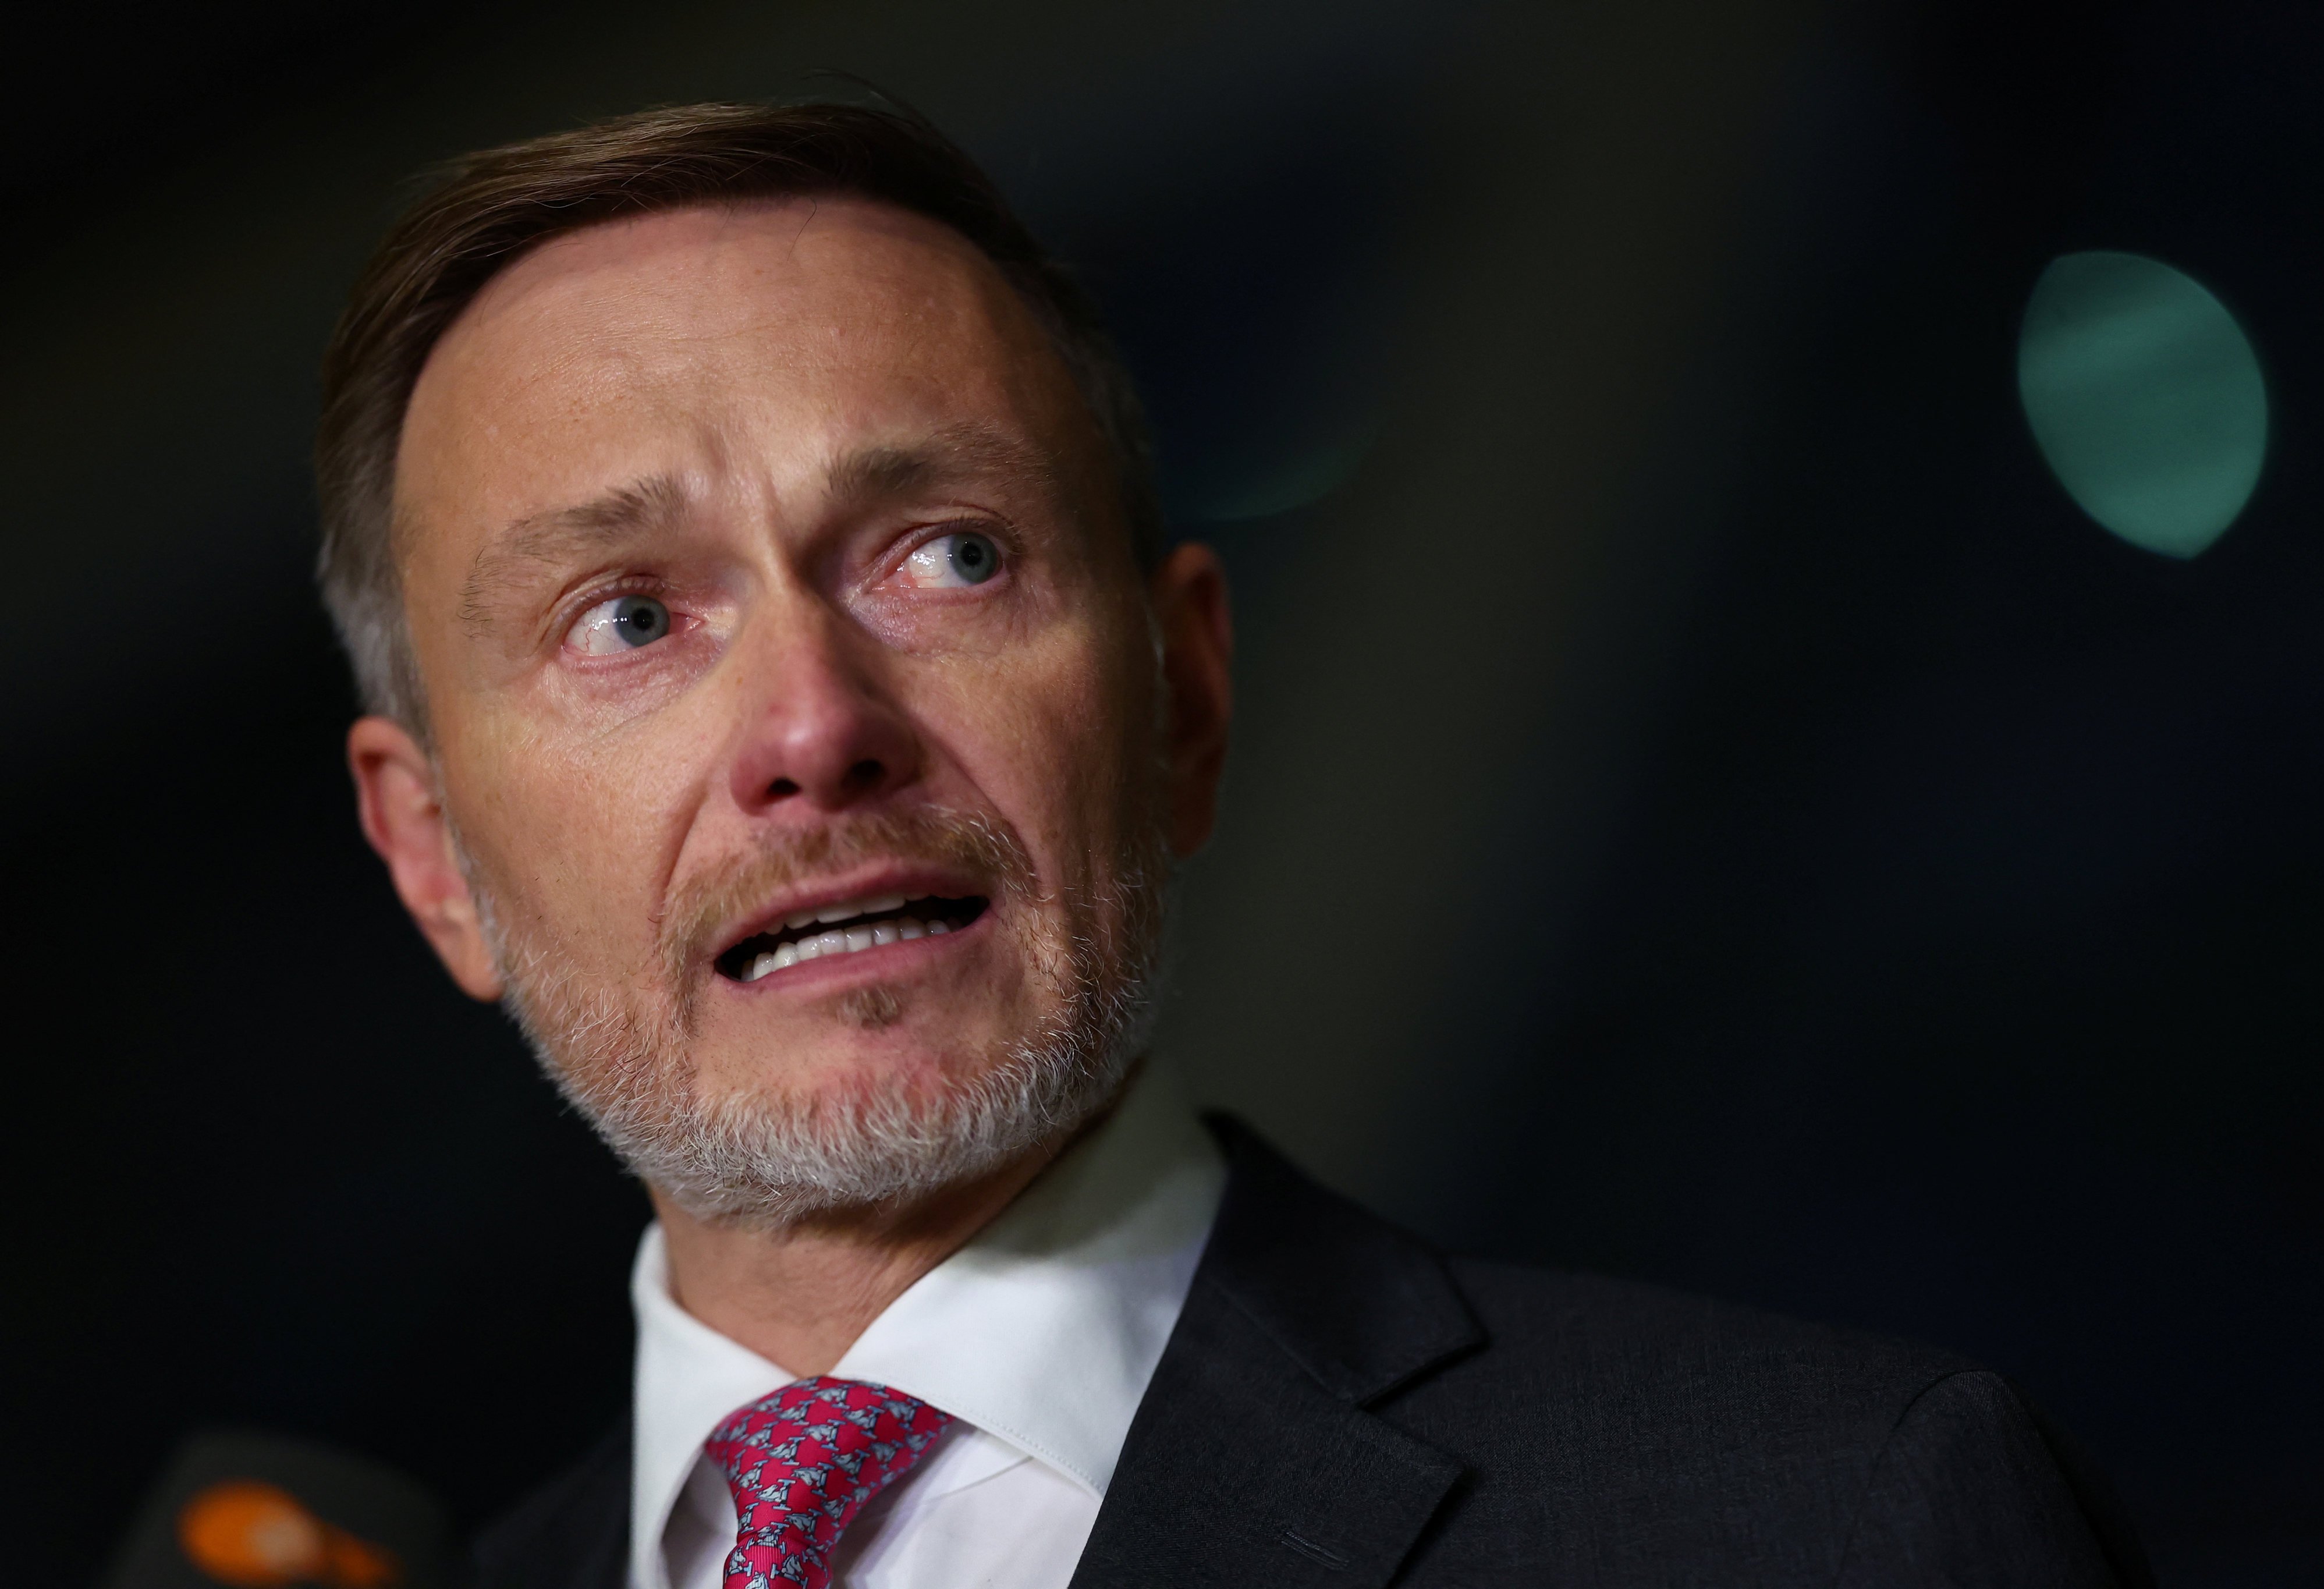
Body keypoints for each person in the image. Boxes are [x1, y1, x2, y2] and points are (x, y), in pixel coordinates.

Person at [323, 101, 2151, 1588]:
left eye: (948, 552)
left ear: (1183, 694)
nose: (814, 729)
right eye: (628, 618)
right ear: (430, 857)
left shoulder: (1827, 1525)